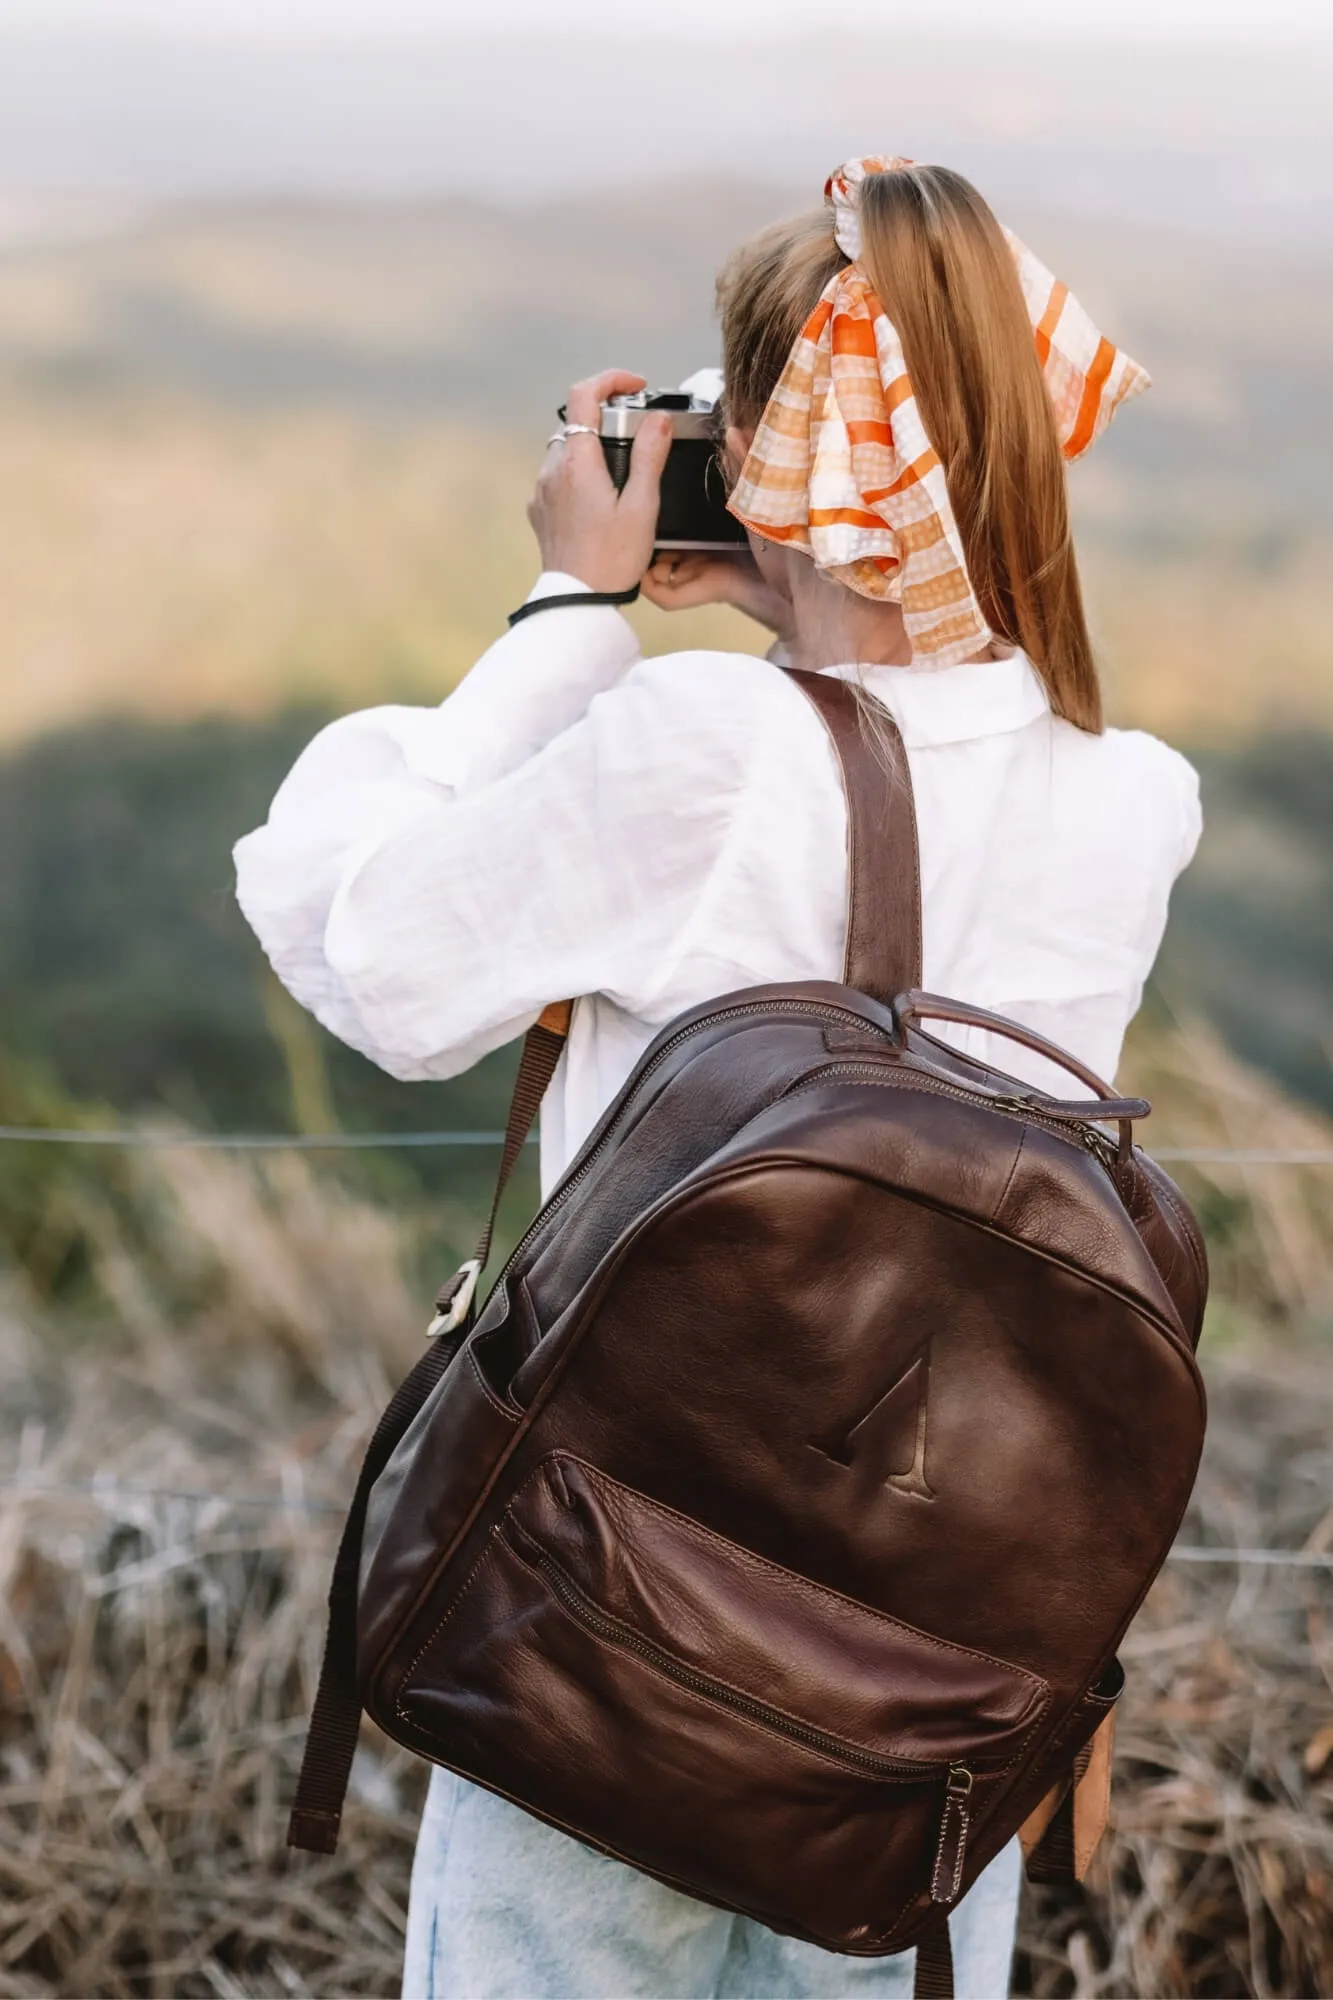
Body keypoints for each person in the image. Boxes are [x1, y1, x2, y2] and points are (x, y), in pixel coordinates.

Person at [234, 157, 1201, 2000]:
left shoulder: (693, 744)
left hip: (616, 1623)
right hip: (920, 1683)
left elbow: (363, 950)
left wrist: (563, 610)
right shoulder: (1131, 798)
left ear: (780, 451)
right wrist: (786, 603)